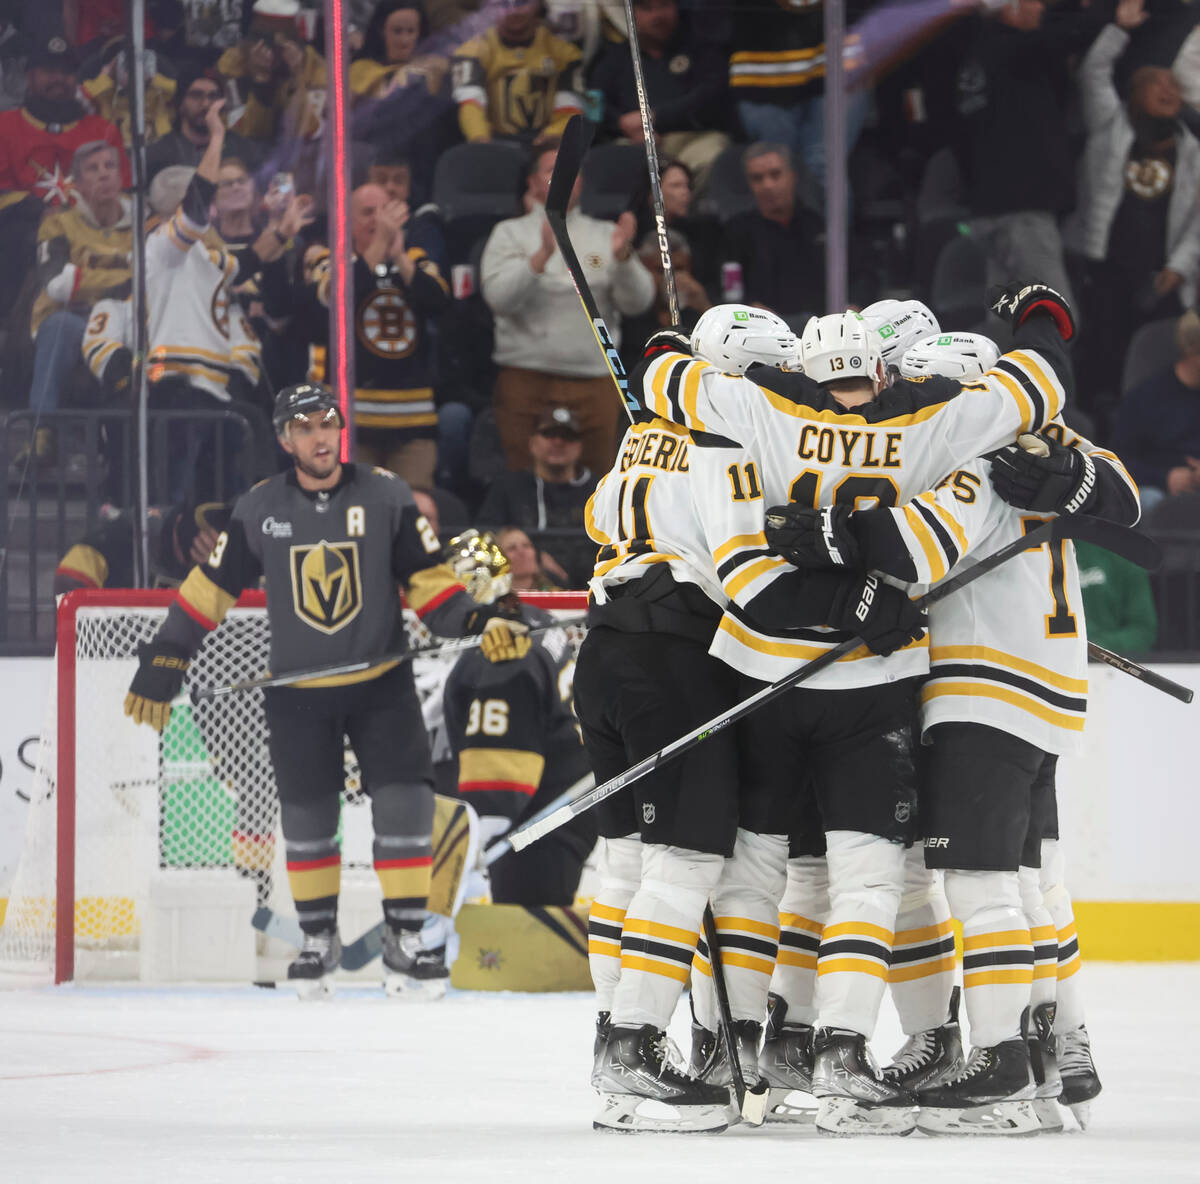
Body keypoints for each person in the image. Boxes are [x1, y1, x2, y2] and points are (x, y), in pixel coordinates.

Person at [635, 287, 1072, 1135]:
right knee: (872, 883)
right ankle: (840, 1050)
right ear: (880, 369)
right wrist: (1039, 320)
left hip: (761, 677)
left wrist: (667, 346)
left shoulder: (757, 408)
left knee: (756, 874)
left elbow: (663, 378)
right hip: (875, 686)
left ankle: (745, 1047)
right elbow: (1041, 382)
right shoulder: (938, 430)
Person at [765, 317, 1138, 1133]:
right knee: (1030, 874)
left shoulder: (972, 458)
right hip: (1049, 683)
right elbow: (1126, 498)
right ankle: (1050, 1051)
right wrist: (1075, 475)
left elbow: (915, 545)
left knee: (978, 883)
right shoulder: (1055, 436)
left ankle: (1002, 1065)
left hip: (983, 685)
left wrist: (823, 533)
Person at [122, 381, 525, 1000]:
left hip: (380, 687)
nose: (319, 436)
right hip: (299, 694)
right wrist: (164, 661)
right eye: (305, 427)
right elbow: (208, 591)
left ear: (342, 429)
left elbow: (432, 586)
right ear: (285, 439)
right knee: (308, 822)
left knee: (404, 811)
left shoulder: (388, 494)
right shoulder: (259, 507)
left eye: (328, 424)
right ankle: (317, 938)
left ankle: (406, 937)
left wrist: (480, 621)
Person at [440, 529, 597, 906]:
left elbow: (498, 770)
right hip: (571, 802)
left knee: (516, 950)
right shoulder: (536, 618)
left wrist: (476, 848)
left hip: (531, 824)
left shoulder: (499, 654)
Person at [480, 138, 654, 476]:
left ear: (582, 183)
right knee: (521, 480)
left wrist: (623, 258)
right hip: (525, 379)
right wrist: (540, 257)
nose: (561, 178)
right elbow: (499, 300)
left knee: (601, 483)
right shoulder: (509, 234)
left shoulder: (606, 234)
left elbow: (639, 304)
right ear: (532, 182)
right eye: (550, 171)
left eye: (569, 172)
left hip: (594, 382)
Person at [1069, 0, 1200, 414]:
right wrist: (1119, 29)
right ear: (1134, 92)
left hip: (1159, 276)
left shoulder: (1192, 151)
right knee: (1100, 346)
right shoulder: (1110, 124)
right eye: (1157, 82)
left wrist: (1179, 268)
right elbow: (1093, 71)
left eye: (1175, 86)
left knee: (1148, 352)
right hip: (1103, 265)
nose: (1169, 90)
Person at [302, 180, 449, 489]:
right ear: (347, 221)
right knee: (354, 511)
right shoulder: (327, 260)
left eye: (385, 212)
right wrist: (379, 245)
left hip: (413, 418)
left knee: (413, 510)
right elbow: (340, 298)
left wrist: (399, 258)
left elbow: (441, 304)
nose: (379, 221)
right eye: (368, 213)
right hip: (351, 419)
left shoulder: (416, 260)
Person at [20, 140, 132, 470]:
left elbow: (153, 278)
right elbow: (58, 284)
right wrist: (126, 273)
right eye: (92, 169)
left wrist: (86, 273)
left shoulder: (145, 223)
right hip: (74, 319)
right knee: (60, 326)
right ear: (78, 184)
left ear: (121, 176)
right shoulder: (58, 224)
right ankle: (43, 433)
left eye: (110, 167)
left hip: (127, 318)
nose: (103, 175)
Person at [0, 36, 127, 321]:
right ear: (29, 76)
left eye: (67, 72)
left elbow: (123, 190)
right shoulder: (4, 126)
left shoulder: (103, 130)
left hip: (95, 226)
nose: (59, 79)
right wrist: (40, 211)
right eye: (49, 71)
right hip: (24, 230)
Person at [586, 0, 730, 188]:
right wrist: (620, 123)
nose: (657, 15)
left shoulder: (702, 48)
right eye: (647, 9)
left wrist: (655, 118)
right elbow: (592, 104)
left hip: (691, 139)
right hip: (633, 142)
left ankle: (686, 215)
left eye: (664, 5)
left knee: (717, 155)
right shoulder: (611, 57)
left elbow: (712, 97)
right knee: (611, 160)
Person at [478, 406, 598, 587]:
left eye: (567, 436)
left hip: (593, 589)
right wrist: (535, 558)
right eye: (549, 434)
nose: (558, 442)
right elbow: (485, 539)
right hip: (523, 590)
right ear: (532, 443)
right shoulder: (509, 486)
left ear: (579, 447)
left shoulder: (599, 490)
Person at [718, 144, 826, 322]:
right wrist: (750, 307)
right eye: (757, 178)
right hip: (762, 331)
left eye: (775, 174)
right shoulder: (735, 232)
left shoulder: (820, 227)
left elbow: (859, 276)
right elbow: (727, 290)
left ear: (792, 177)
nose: (767, 185)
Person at [450, 0, 584, 145]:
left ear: (538, 4)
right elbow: (470, 104)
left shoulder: (565, 53)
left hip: (551, 145)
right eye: (502, 4)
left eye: (521, 2)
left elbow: (571, 106)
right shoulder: (471, 52)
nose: (513, 10)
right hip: (494, 144)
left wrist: (553, 136)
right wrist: (480, 140)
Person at [1114, 308, 1200, 510]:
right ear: (1191, 350)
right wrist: (1166, 477)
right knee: (1148, 501)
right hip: (1160, 486)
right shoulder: (1146, 397)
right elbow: (1119, 460)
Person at [144, 66, 262, 183]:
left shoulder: (244, 149)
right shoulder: (160, 153)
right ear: (180, 104)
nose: (206, 104)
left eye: (213, 96)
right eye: (196, 95)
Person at [1074, 537, 1157, 654]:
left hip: (1105, 665)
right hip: (1049, 660)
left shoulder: (1122, 556)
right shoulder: (1041, 550)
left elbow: (1143, 630)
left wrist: (1100, 646)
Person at [495, 525, 564, 591]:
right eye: (512, 548)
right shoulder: (490, 599)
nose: (521, 552)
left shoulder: (553, 594)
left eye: (526, 545)